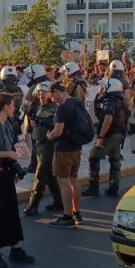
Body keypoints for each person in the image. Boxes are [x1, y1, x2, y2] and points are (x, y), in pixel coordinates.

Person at [0, 93, 34, 268]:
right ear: (5, 106)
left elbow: (11, 146)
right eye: (12, 105)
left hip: (6, 173)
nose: (14, 108)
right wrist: (9, 154)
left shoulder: (8, 124)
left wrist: (15, 166)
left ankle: (15, 248)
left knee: (11, 210)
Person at [46, 81, 85, 228]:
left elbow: (58, 131)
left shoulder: (62, 107)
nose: (53, 99)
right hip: (77, 147)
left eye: (52, 96)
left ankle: (67, 216)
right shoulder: (77, 102)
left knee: (64, 182)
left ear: (57, 91)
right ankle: (77, 213)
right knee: (74, 180)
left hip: (64, 148)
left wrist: (49, 135)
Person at [83, 77, 127, 197]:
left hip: (109, 134)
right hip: (119, 134)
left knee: (93, 155)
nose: (101, 89)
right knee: (114, 159)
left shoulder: (110, 101)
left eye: (104, 87)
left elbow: (108, 119)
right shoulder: (121, 99)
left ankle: (93, 188)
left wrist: (101, 136)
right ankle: (114, 187)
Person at [24, 83, 62, 216]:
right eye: (38, 92)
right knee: (49, 175)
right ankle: (59, 201)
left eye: (43, 92)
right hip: (38, 144)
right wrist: (33, 122)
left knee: (40, 174)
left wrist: (40, 121)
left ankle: (33, 204)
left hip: (48, 145)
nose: (40, 95)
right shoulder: (41, 107)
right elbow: (37, 123)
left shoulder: (55, 109)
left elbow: (54, 125)